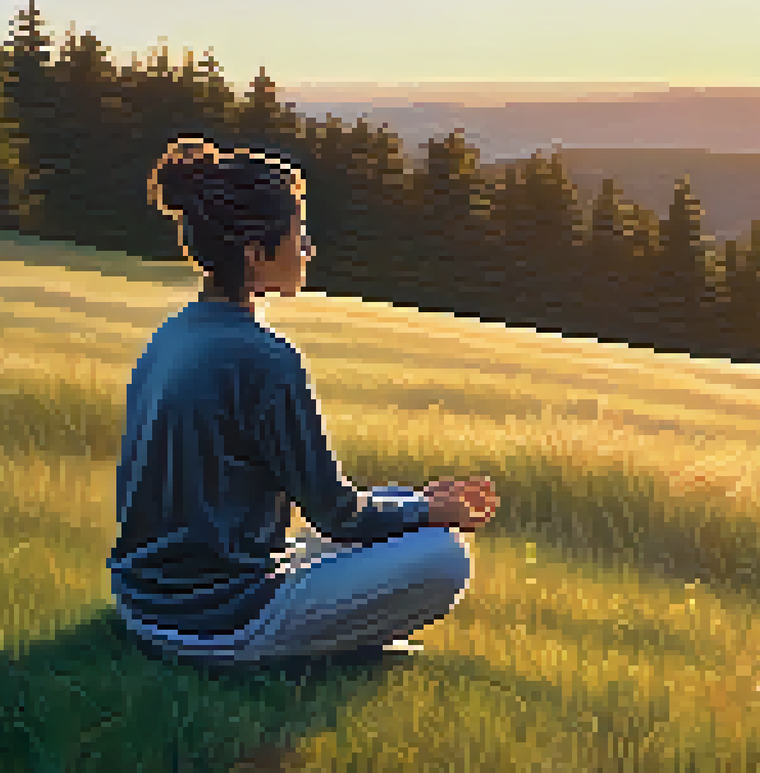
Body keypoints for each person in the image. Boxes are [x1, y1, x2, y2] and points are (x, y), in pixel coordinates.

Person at [109, 135, 499, 670]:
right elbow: (337, 515)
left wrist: (415, 507)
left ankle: (329, 622)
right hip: (213, 619)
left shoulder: (172, 334)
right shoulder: (265, 358)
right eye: (298, 235)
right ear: (255, 253)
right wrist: (431, 511)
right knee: (444, 556)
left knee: (396, 503)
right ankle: (312, 648)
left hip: (142, 602)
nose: (308, 249)